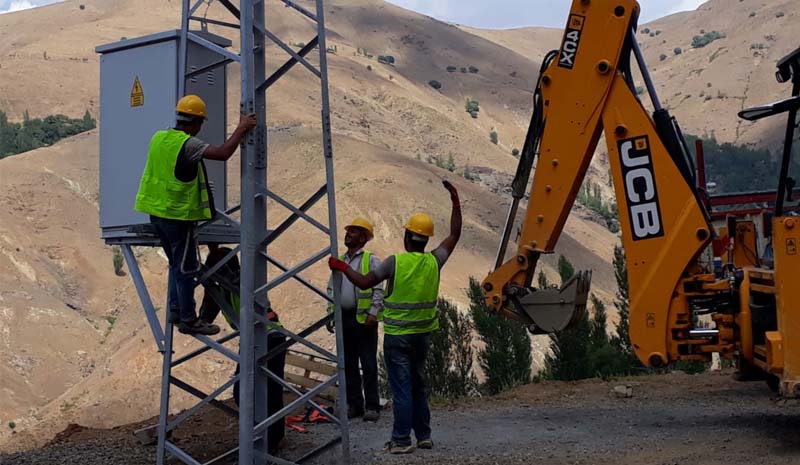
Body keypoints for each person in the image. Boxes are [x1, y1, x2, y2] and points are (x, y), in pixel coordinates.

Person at [328, 181, 462, 454]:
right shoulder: (434, 260)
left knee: (401, 388)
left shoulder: (395, 263)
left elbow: (365, 283)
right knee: (418, 385)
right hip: (422, 335)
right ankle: (423, 435)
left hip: (398, 337)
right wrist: (456, 204)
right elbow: (455, 235)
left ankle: (401, 440)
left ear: (407, 237)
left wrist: (342, 267)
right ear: (425, 239)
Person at [134, 94, 256, 335]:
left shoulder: (159, 137)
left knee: (176, 266)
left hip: (156, 213)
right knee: (187, 268)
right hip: (177, 216)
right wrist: (242, 128)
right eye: (201, 123)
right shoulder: (188, 144)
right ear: (196, 121)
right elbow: (222, 153)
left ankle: (176, 311)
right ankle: (189, 320)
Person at [199, 246, 287, 455]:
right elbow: (206, 316)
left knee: (270, 391)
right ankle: (260, 437)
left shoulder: (246, 281)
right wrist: (207, 284)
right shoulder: (221, 290)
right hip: (252, 338)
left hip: (270, 336)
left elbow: (238, 285)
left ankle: (272, 441)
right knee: (245, 392)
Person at [327, 218, 384, 421]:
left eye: (353, 231)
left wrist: (373, 312)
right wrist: (330, 313)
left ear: (363, 237)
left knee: (368, 364)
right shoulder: (341, 260)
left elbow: (378, 287)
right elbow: (332, 288)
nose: (348, 233)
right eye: (348, 230)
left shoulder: (371, 260)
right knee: (348, 363)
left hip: (364, 319)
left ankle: (372, 406)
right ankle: (354, 405)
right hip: (345, 318)